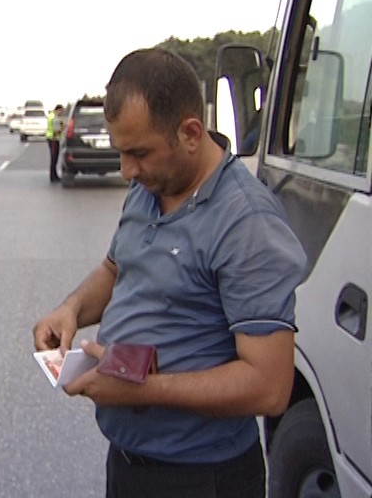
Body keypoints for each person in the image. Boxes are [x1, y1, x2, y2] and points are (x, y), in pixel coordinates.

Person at [33, 48, 307, 498]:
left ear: (191, 133)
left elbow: (270, 386)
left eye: (139, 153)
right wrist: (72, 309)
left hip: (201, 477)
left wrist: (143, 391)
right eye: (122, 153)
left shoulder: (247, 222)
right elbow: (115, 267)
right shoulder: (150, 187)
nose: (126, 171)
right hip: (128, 462)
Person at [46, 104, 65, 182]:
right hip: (54, 139)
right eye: (61, 111)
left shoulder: (51, 115)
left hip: (51, 138)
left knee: (54, 159)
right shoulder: (55, 118)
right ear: (58, 109)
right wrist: (63, 128)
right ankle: (53, 177)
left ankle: (54, 175)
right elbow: (57, 130)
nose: (62, 113)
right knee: (54, 159)